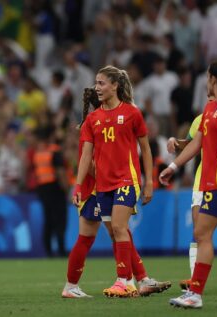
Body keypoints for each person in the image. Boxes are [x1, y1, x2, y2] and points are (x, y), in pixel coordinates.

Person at [64, 88, 171, 298]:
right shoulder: (97, 123)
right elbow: (92, 163)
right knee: (104, 234)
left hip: (96, 186)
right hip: (96, 188)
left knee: (116, 232)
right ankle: (128, 279)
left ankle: (139, 279)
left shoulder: (94, 122)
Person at [161, 59, 217, 309]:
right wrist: (173, 167)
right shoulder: (210, 109)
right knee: (207, 234)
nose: (206, 82)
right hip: (212, 182)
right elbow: (196, 143)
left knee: (202, 234)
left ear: (213, 79)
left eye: (208, 77)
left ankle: (195, 294)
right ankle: (195, 294)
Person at [166, 113, 203, 290]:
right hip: (203, 180)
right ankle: (194, 279)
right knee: (198, 231)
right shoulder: (201, 119)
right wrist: (175, 141)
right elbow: (191, 143)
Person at [33, 126, 68, 257]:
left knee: (48, 220)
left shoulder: (38, 153)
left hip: (42, 189)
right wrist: (66, 189)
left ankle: (48, 251)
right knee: (60, 220)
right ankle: (61, 250)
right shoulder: (54, 151)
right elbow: (60, 172)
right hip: (55, 188)